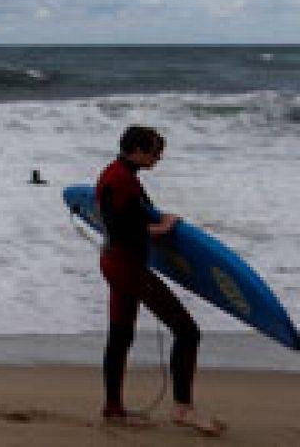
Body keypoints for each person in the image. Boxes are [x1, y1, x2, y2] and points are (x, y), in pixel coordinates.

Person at [94, 126, 224, 435]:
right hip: (127, 267)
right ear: (136, 150)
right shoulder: (120, 180)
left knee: (120, 335)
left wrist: (163, 220)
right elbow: (121, 229)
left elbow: (137, 218)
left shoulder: (119, 174)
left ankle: (113, 409)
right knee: (187, 331)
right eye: (155, 151)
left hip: (117, 262)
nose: (159, 157)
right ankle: (183, 408)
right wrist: (164, 228)